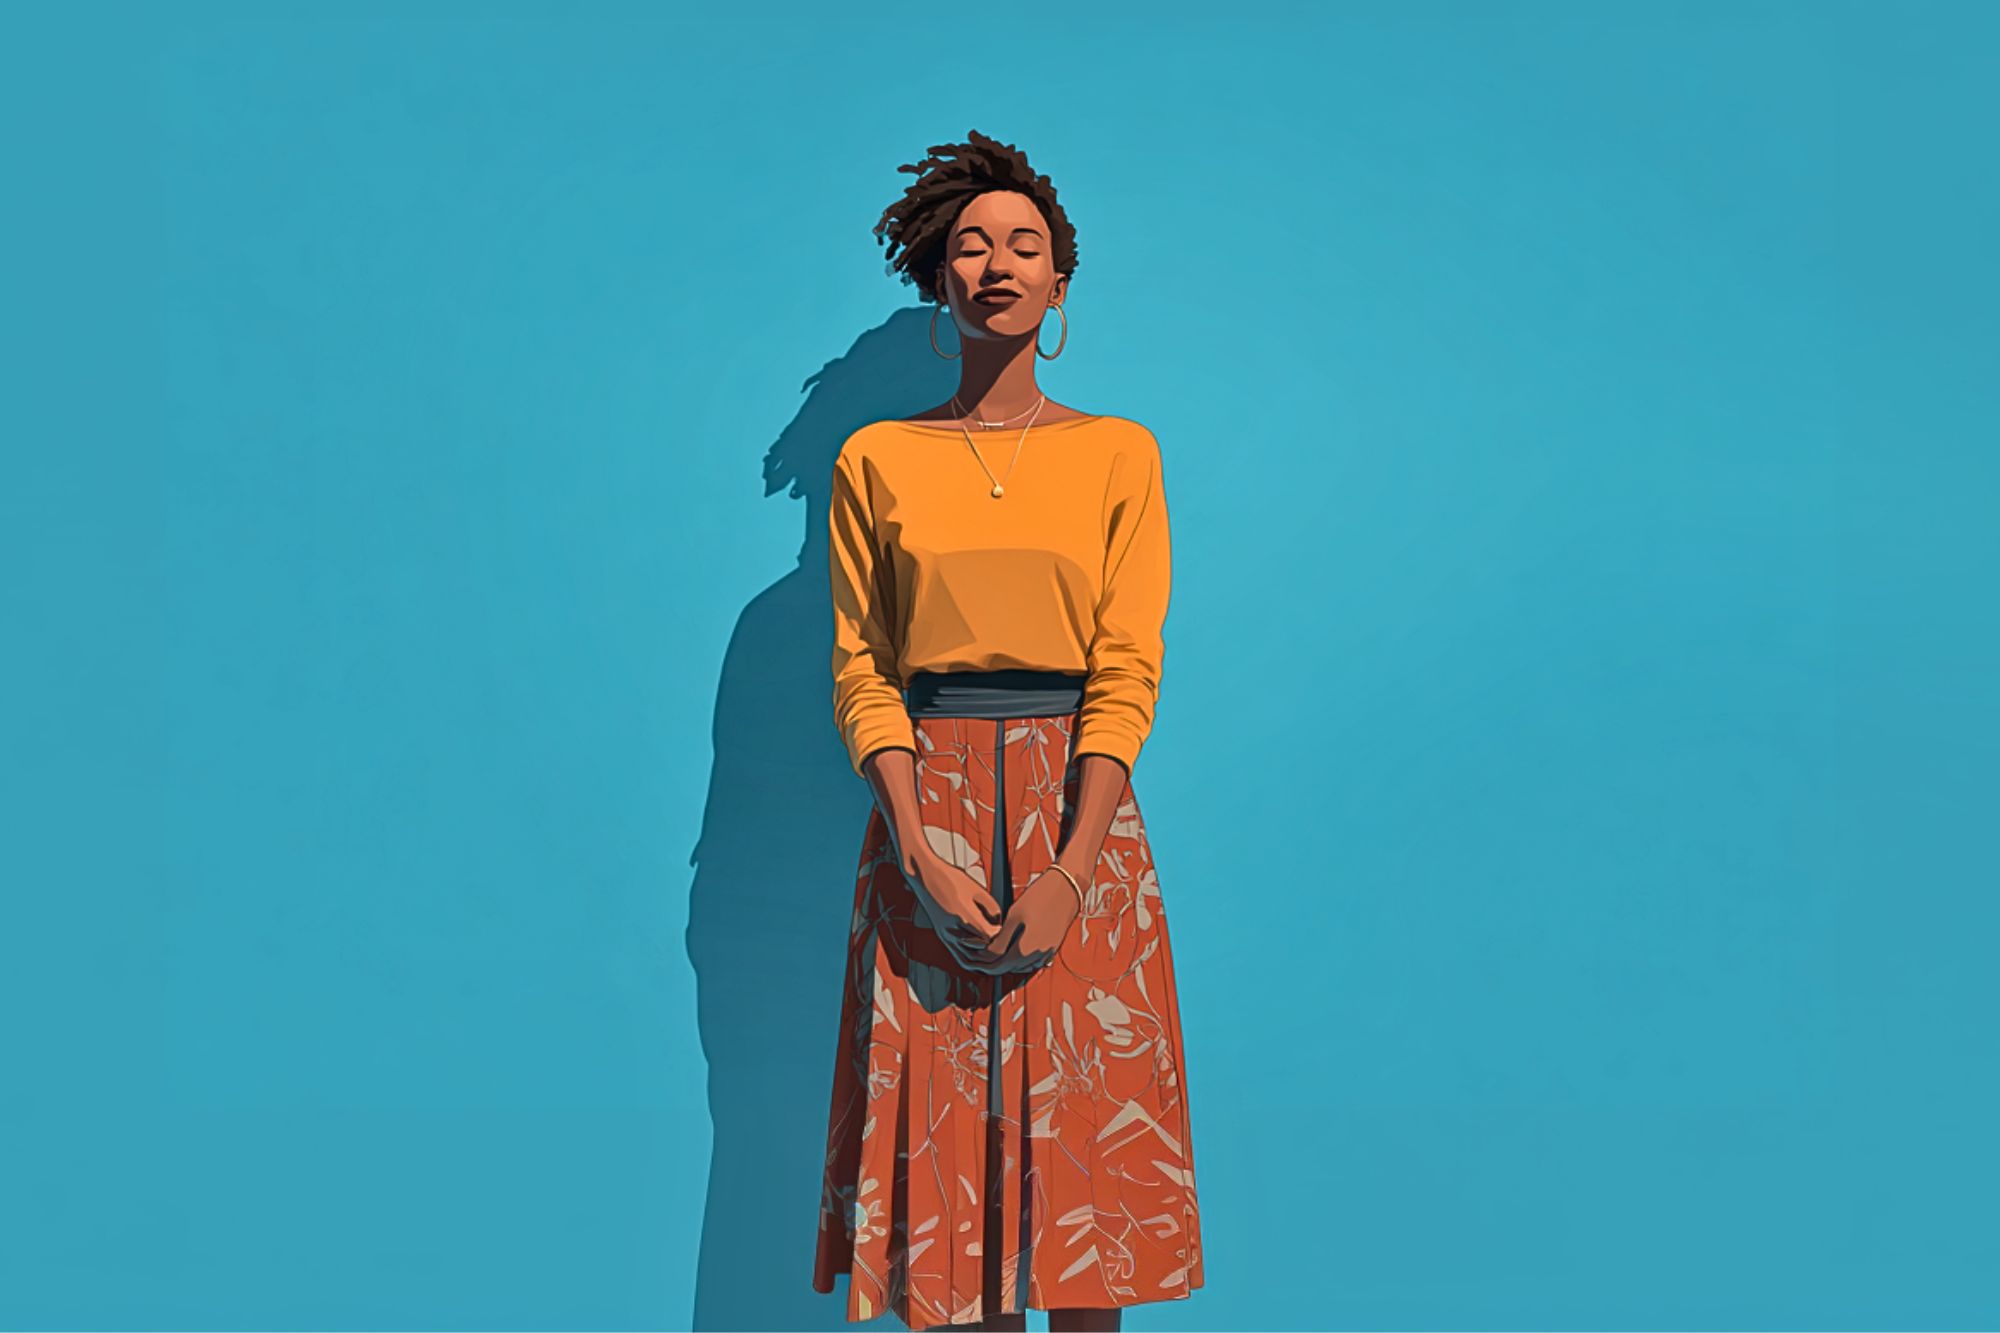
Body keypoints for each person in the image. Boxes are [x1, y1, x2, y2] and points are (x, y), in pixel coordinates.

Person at [811, 131, 1205, 1332]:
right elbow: (863, 668)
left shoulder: (1116, 453)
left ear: (1058, 284)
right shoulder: (875, 460)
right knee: (955, 1235)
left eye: (1022, 246)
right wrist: (918, 850)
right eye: (971, 245)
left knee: (1085, 1236)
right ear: (939, 280)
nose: (996, 264)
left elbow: (1126, 667)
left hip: (1078, 827)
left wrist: (1075, 869)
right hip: (921, 824)